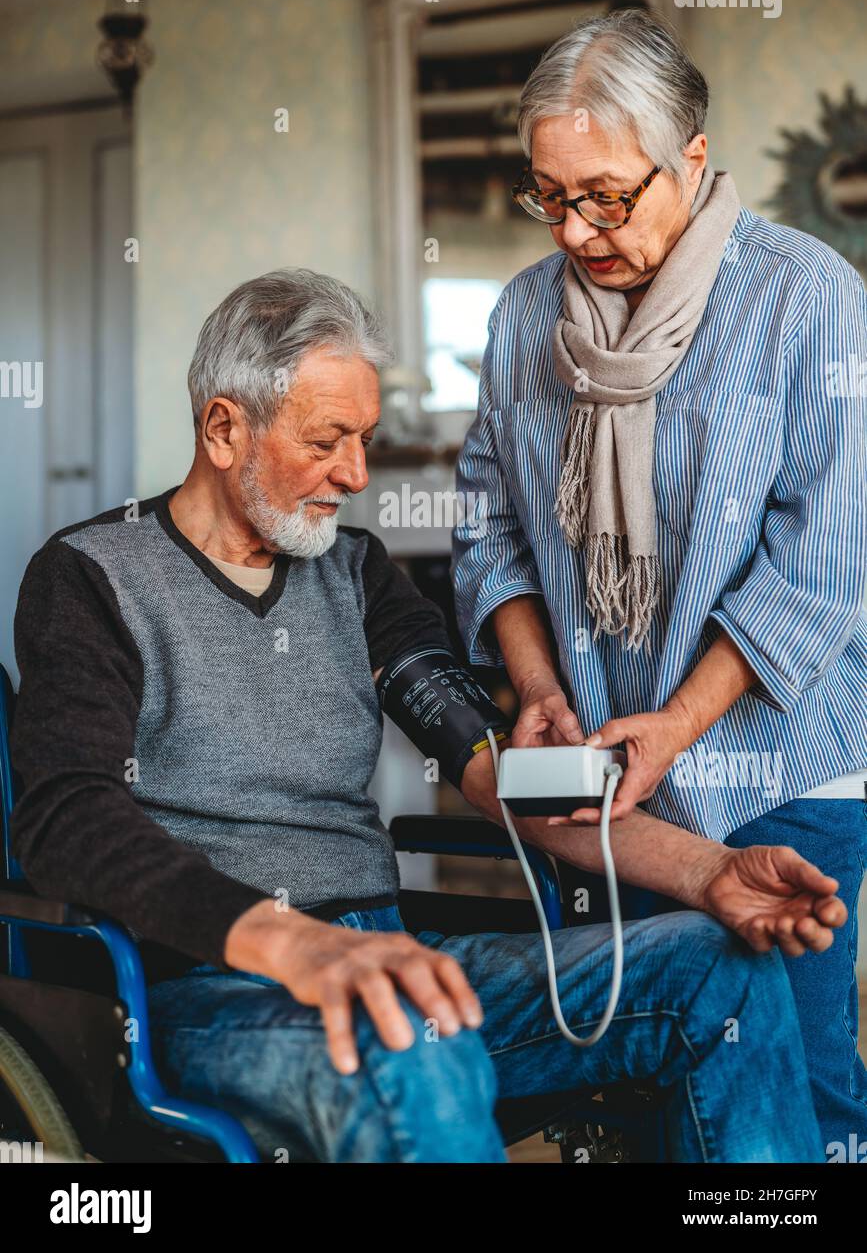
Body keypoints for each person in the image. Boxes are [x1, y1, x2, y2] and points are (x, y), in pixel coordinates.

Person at [10, 269, 847, 1163]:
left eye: (365, 440)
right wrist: (294, 945)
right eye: (328, 440)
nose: (357, 475)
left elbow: (492, 774)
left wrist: (707, 872)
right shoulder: (92, 575)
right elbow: (67, 817)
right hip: (212, 987)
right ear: (224, 428)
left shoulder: (355, 571)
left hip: (392, 957)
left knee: (717, 965)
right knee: (412, 1036)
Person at [451, 7, 867, 1160]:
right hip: (600, 780)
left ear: (691, 156)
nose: (578, 227)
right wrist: (536, 686)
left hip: (781, 757)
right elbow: (488, 522)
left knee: (799, 1082)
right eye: (552, 195)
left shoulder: (808, 296)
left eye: (608, 195)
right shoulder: (526, 315)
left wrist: (681, 723)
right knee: (641, 1072)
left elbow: (823, 559)